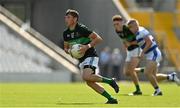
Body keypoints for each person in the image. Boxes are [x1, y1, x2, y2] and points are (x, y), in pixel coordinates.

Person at [63, 9, 119, 104]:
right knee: (89, 82)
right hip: (81, 59)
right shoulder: (66, 33)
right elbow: (65, 48)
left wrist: (87, 47)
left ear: (75, 19)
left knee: (86, 76)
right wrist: (71, 52)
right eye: (65, 17)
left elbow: (98, 39)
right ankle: (111, 99)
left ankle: (110, 81)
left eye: (68, 17)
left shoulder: (82, 29)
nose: (66, 19)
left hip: (90, 55)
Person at [127, 19, 180, 96]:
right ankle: (171, 77)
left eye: (130, 28)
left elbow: (149, 42)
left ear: (135, 26)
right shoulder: (137, 33)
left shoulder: (141, 32)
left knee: (147, 73)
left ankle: (158, 91)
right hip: (150, 54)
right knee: (154, 76)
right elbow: (142, 44)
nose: (129, 30)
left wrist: (142, 52)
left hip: (154, 53)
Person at [112, 15, 142, 95]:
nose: (116, 26)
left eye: (117, 24)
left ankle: (138, 90)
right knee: (126, 72)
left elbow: (139, 41)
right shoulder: (117, 30)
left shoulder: (128, 29)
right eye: (114, 24)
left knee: (131, 71)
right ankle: (144, 70)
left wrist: (129, 43)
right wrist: (126, 48)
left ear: (122, 22)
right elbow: (124, 40)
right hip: (129, 51)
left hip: (136, 49)